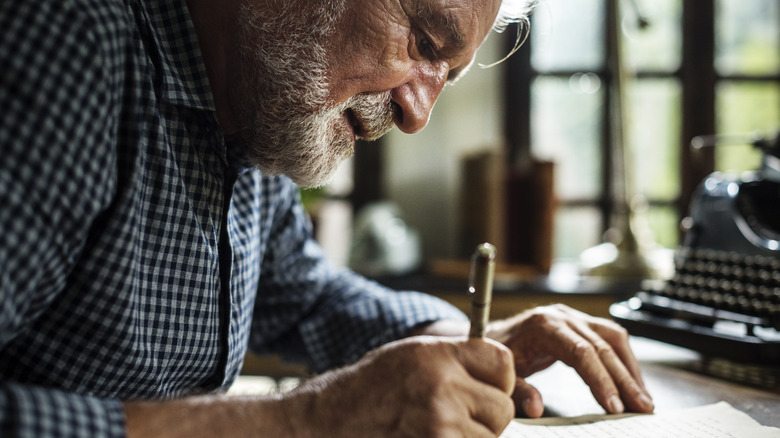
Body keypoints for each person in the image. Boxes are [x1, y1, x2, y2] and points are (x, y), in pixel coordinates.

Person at [0, 0, 654, 436]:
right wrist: (304, 422)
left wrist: (460, 343)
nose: (417, 115)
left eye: (444, 77)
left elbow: (306, 298)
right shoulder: (66, 45)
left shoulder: (259, 115)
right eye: (423, 42)